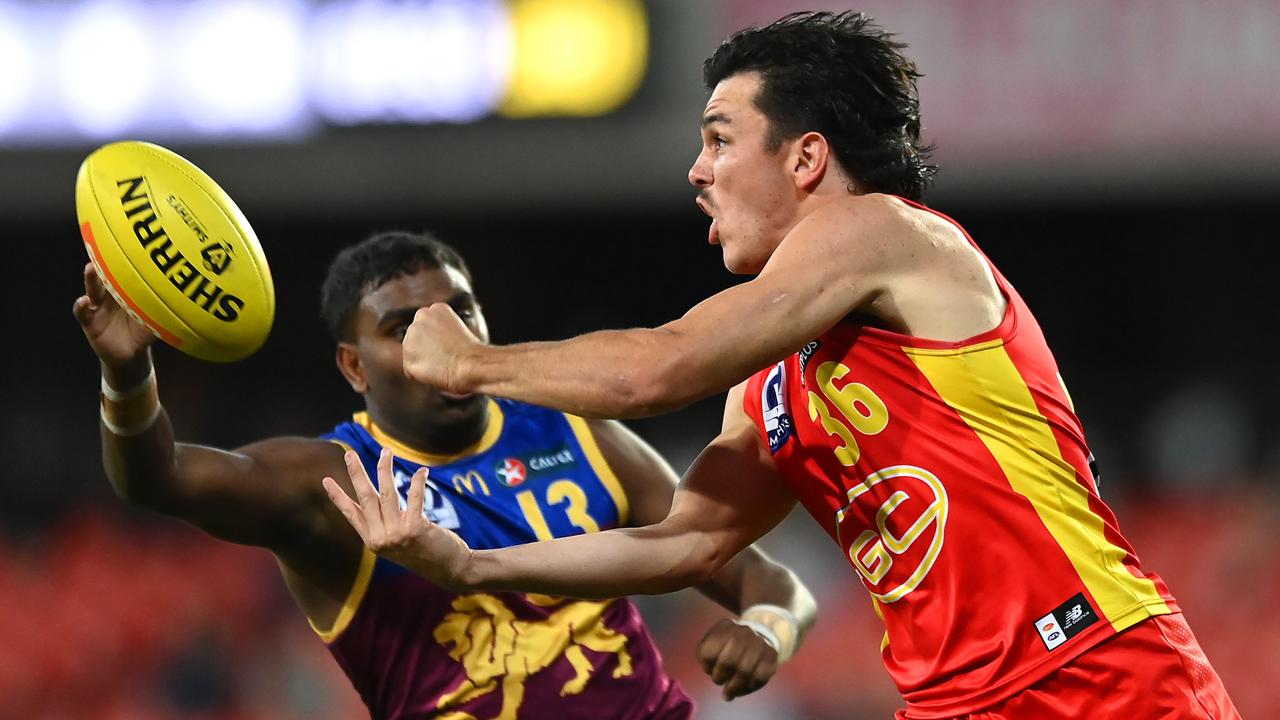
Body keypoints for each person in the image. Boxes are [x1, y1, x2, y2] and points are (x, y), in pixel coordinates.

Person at [326, 12, 1240, 720]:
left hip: (1094, 671)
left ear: (807, 157)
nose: (697, 170)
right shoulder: (770, 378)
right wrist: (472, 567)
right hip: (952, 700)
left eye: (721, 138)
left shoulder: (884, 231)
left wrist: (474, 364)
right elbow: (688, 541)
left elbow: (656, 371)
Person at [73, 230, 817, 720]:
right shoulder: (333, 480)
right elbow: (156, 478)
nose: (441, 337)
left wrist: (767, 627)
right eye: (403, 327)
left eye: (459, 311)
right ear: (354, 366)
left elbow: (765, 579)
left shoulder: (578, 433)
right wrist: (127, 369)